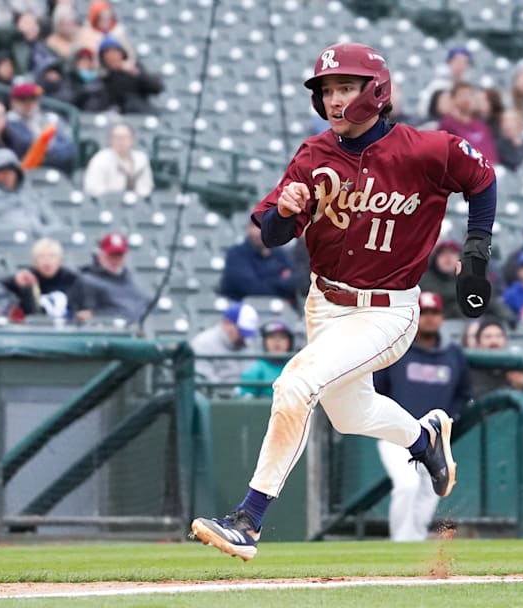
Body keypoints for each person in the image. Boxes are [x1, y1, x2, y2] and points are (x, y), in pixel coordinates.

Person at [190, 42, 497, 561]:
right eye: (327, 89)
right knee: (351, 413)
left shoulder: (426, 149)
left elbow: (482, 178)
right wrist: (285, 212)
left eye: (345, 87)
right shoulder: (313, 156)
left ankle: (249, 518)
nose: (334, 98)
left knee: (294, 385)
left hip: (388, 308)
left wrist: (475, 252)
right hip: (325, 304)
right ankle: (424, 440)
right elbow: (272, 234)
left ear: (375, 90)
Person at [373, 292, 470, 542]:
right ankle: (400, 541)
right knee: (407, 485)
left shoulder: (453, 354)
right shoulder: (397, 349)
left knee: (430, 490)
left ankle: (413, 539)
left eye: (434, 313)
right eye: (424, 313)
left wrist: (453, 417)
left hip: (434, 436)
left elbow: (464, 392)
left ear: (442, 317)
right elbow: (377, 388)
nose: (429, 318)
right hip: (396, 434)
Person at [0, 149, 64, 234]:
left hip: (39, 247)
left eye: (11, 172)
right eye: (2, 172)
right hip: (0, 246)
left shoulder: (29, 192)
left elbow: (55, 221)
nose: (7, 176)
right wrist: (6, 231)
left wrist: (42, 231)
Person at [418, 240, 511, 322]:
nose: (448, 258)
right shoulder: (424, 279)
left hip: (473, 322)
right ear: (435, 259)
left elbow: (490, 300)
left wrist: (507, 316)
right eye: (443, 254)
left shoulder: (470, 276)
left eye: (452, 254)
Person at [72, 232, 150, 322]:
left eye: (119, 255)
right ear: (100, 255)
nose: (115, 260)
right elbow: (86, 315)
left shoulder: (131, 280)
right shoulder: (86, 281)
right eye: (111, 255)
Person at [0, 238, 80, 320]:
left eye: (52, 256)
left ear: (60, 261)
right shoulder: (26, 278)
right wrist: (15, 281)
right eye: (42, 257)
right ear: (35, 262)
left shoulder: (73, 279)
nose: (47, 261)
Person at [190, 303, 259, 397]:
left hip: (247, 399)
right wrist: (234, 393)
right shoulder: (203, 343)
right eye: (240, 331)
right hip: (215, 401)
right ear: (227, 323)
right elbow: (203, 380)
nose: (243, 337)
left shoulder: (247, 341)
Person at [219, 220, 297, 303]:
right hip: (242, 309)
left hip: (279, 309)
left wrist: (263, 280)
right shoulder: (236, 254)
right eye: (257, 226)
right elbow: (251, 288)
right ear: (248, 229)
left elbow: (295, 282)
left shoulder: (280, 253)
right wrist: (280, 282)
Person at [7, 82, 77, 172]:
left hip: (57, 169)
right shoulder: (10, 121)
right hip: (27, 172)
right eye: (23, 99)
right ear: (13, 102)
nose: (29, 104)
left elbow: (70, 146)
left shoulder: (51, 118)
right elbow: (30, 145)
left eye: (32, 98)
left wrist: (48, 151)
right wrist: (48, 149)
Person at [83, 123, 155, 198]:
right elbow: (92, 189)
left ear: (132, 140)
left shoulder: (141, 159)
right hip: (108, 203)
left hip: (138, 203)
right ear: (110, 140)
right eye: (116, 137)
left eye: (125, 137)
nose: (120, 141)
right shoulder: (100, 159)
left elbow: (147, 186)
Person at [97, 37, 164, 115]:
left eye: (114, 52)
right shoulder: (104, 78)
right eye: (107, 54)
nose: (112, 56)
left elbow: (157, 88)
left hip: (140, 113)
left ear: (122, 54)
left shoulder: (135, 69)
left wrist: (135, 73)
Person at [437, 82, 499, 165]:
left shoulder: (482, 126)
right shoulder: (447, 126)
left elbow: (492, 156)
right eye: (462, 95)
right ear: (453, 99)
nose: (466, 99)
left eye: (470, 95)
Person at [240, 320, 294, 399]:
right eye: (272, 337)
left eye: (282, 337)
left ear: (290, 342)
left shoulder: (298, 368)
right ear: (264, 342)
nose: (277, 341)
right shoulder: (255, 370)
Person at [417, 46, 472, 120]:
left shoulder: (468, 85)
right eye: (458, 61)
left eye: (465, 62)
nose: (461, 65)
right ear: (450, 62)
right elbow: (423, 108)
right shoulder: (437, 84)